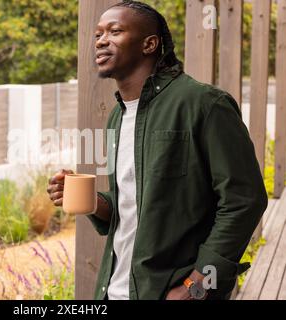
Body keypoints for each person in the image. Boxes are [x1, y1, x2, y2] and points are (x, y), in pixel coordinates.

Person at [46, 0, 267, 300]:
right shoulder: (117, 117)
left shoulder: (204, 104)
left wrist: (196, 288)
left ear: (149, 44)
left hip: (172, 291)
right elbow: (135, 206)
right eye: (97, 34)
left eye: (115, 31)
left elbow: (244, 200)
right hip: (114, 291)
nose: (100, 40)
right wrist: (91, 200)